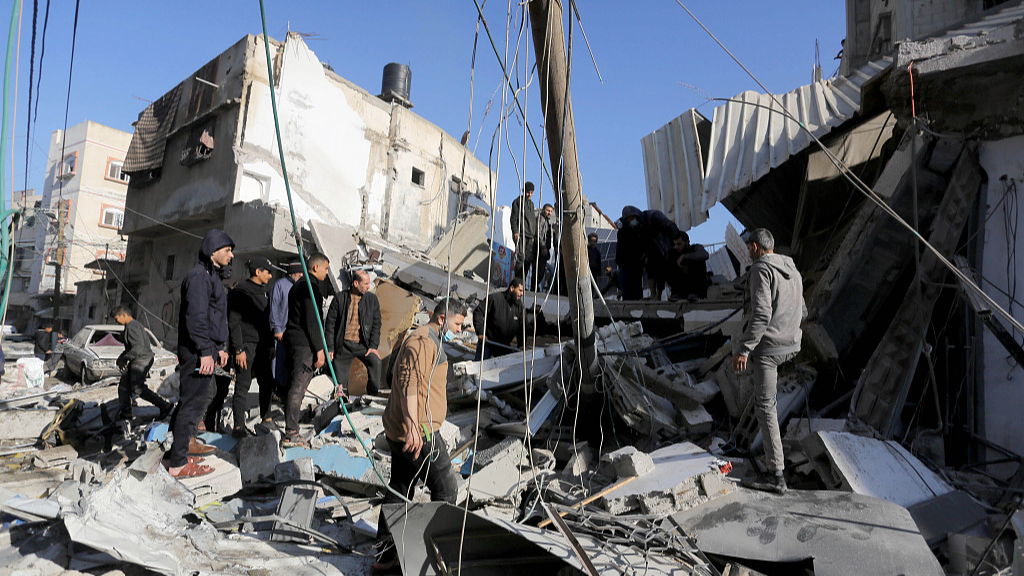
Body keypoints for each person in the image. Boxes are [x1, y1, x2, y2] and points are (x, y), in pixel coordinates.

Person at [373, 298, 467, 573]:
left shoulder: (427, 339)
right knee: (446, 490)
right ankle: (429, 556)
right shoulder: (424, 341)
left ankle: (385, 554)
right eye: (458, 324)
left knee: (400, 487)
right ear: (441, 319)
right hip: (419, 430)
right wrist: (414, 426)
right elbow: (407, 382)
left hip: (409, 427)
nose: (460, 330)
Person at [732, 228, 806, 494]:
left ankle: (776, 475)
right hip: (791, 344)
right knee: (770, 403)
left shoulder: (760, 270)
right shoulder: (792, 270)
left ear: (753, 248)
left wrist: (744, 349)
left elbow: (761, 314)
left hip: (768, 349)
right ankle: (772, 457)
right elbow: (804, 310)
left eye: (748, 248)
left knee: (766, 408)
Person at [164, 228, 234, 479]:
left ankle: (177, 452)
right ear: (213, 251)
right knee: (192, 406)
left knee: (192, 403)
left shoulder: (212, 277)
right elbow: (196, 319)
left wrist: (220, 347)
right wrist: (205, 351)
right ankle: (178, 463)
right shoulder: (199, 278)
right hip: (196, 352)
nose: (231, 256)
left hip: (207, 349)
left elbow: (216, 317)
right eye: (227, 251)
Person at [282, 253, 331, 448]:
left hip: (296, 340)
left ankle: (291, 428)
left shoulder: (299, 285)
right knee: (298, 386)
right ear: (316, 268)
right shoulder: (309, 288)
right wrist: (319, 349)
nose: (327, 273)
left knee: (296, 384)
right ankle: (291, 432)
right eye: (326, 269)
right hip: (304, 344)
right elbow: (313, 321)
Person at [227, 257, 276, 437]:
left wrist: (270, 344)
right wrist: (238, 349)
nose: (270, 276)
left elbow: (266, 321)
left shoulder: (265, 293)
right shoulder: (240, 291)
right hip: (246, 346)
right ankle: (239, 426)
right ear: (258, 272)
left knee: (266, 383)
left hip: (263, 346)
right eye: (267, 272)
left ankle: (267, 419)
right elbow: (234, 322)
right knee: (243, 385)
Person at [324, 269, 382, 397]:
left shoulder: (372, 300)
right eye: (366, 284)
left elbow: (377, 324)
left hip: (363, 345)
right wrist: (330, 348)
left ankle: (372, 396)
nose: (369, 286)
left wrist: (373, 346)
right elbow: (330, 325)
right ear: (356, 283)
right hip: (343, 345)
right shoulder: (340, 298)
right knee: (340, 384)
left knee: (376, 362)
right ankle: (341, 404)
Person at [112, 305, 173, 421]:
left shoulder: (132, 327)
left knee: (137, 388)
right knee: (124, 385)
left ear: (124, 315)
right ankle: (126, 412)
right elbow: (132, 347)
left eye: (116, 318)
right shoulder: (133, 325)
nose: (116, 322)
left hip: (141, 359)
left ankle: (164, 405)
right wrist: (122, 357)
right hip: (138, 359)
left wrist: (125, 358)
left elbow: (138, 347)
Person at [615, 205, 680, 300]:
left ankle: (674, 292)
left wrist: (676, 242)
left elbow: (671, 226)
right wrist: (644, 254)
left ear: (637, 215)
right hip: (653, 250)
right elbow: (643, 242)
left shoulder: (653, 216)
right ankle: (655, 295)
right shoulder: (636, 227)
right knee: (651, 269)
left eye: (632, 218)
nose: (631, 221)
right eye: (629, 220)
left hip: (667, 246)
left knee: (668, 270)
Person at [270, 262, 303, 405]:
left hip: (294, 333)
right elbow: (274, 308)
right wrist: (277, 329)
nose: (301, 276)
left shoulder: (300, 286)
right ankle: (277, 391)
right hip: (282, 332)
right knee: (278, 364)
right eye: (299, 273)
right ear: (293, 273)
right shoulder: (280, 285)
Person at [472, 277, 525, 361]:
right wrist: (481, 332)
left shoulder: (519, 307)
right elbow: (478, 312)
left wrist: (521, 345)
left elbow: (522, 327)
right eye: (520, 290)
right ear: (512, 288)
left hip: (504, 345)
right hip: (488, 342)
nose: (522, 294)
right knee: (479, 366)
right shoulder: (495, 299)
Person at [510, 181, 538, 289]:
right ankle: (517, 283)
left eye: (531, 192)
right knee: (520, 259)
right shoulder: (518, 202)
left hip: (530, 237)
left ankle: (522, 283)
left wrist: (534, 237)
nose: (529, 194)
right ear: (523, 191)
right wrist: (515, 232)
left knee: (527, 261)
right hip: (522, 235)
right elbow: (513, 218)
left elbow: (533, 221)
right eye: (527, 192)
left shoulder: (531, 204)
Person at [667, 231, 710, 300]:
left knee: (698, 260)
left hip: (696, 287)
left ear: (687, 242)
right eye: (675, 244)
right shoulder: (674, 253)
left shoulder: (695, 248)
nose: (676, 247)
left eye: (679, 244)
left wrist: (684, 256)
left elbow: (705, 255)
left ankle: (696, 293)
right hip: (682, 287)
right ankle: (676, 293)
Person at [537, 203, 556, 290]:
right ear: (543, 210)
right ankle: (534, 288)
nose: (549, 213)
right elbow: (539, 234)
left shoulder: (546, 221)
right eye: (548, 211)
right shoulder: (541, 219)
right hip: (541, 249)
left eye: (551, 211)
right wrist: (543, 247)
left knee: (541, 272)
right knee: (538, 271)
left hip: (544, 249)